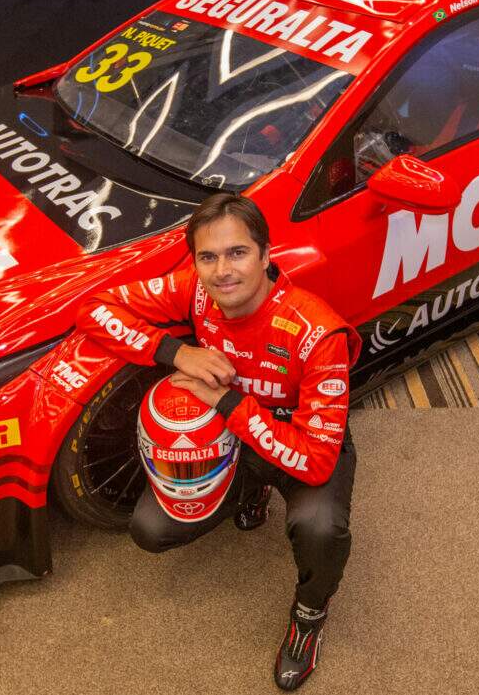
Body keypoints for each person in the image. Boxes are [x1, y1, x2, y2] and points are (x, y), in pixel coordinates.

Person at [76, 193, 360, 692]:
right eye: (208, 257)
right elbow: (93, 310)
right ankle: (250, 493)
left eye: (237, 253)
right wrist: (173, 350)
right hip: (231, 435)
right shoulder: (194, 291)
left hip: (303, 437)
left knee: (319, 526)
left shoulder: (318, 331)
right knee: (151, 528)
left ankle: (310, 614)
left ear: (266, 255)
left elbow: (316, 462)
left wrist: (228, 404)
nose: (222, 271)